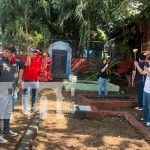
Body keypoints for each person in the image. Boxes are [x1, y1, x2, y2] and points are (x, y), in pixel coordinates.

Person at [0, 45, 24, 143]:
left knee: (7, 112)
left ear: (12, 53)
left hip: (12, 89)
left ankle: (6, 130)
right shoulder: (1, 61)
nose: (4, 52)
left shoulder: (16, 61)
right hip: (3, 88)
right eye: (4, 51)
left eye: (6, 51)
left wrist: (20, 79)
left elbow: (22, 66)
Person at [22, 46, 42, 114]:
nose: (35, 53)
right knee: (26, 94)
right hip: (27, 79)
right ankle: (25, 108)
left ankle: (33, 107)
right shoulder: (26, 58)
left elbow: (40, 68)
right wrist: (28, 54)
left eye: (36, 52)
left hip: (36, 79)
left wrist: (43, 66)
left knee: (34, 94)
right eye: (33, 52)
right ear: (29, 52)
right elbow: (28, 64)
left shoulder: (39, 58)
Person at [134, 57, 150, 127]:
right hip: (145, 90)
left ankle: (149, 121)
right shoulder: (149, 68)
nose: (148, 63)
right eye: (148, 62)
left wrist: (148, 71)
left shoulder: (148, 69)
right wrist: (137, 65)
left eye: (149, 62)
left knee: (149, 107)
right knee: (145, 106)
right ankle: (146, 118)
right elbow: (141, 72)